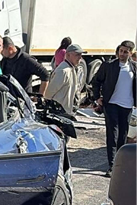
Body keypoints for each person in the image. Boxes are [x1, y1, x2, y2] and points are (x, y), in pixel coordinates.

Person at [89, 40, 136, 175]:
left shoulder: (134, 67)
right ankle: (112, 166)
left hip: (127, 105)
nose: (122, 54)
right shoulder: (109, 66)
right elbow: (96, 81)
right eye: (120, 51)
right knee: (112, 135)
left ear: (130, 53)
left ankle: (121, 165)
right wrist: (97, 97)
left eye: (125, 52)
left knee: (123, 135)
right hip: (111, 104)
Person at [45, 43, 85, 114]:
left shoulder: (70, 68)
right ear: (68, 55)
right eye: (77, 55)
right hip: (59, 111)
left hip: (66, 111)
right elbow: (49, 93)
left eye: (81, 55)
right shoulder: (63, 71)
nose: (80, 58)